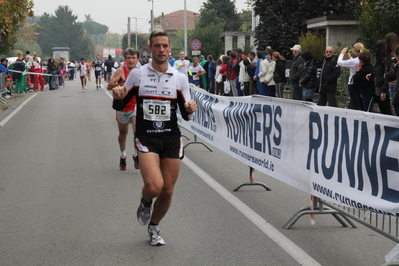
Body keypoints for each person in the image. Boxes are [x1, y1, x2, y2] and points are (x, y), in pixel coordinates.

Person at [112, 29, 197, 246]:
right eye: (156, 46)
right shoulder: (138, 74)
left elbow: (186, 113)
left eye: (165, 46)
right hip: (147, 137)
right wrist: (118, 97)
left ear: (170, 49)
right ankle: (146, 201)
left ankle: (154, 226)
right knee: (154, 187)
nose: (161, 49)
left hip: (171, 137)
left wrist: (190, 108)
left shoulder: (179, 78)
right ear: (149, 48)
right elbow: (122, 105)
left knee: (167, 190)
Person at [107, 48, 141, 170]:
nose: (131, 60)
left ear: (138, 59)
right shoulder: (121, 71)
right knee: (123, 134)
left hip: (136, 107)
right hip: (122, 107)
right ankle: (123, 155)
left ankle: (136, 154)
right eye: (128, 58)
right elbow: (109, 85)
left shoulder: (141, 72)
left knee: (137, 132)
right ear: (125, 59)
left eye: (133, 58)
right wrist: (122, 85)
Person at [337, 42, 364, 110]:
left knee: (354, 103)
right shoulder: (361, 59)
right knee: (359, 102)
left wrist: (342, 53)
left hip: (352, 83)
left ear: (355, 50)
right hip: (359, 83)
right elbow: (354, 63)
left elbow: (339, 62)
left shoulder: (355, 61)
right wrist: (350, 58)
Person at [373, 40, 392, 115]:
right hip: (378, 87)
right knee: (382, 109)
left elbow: (386, 76)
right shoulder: (379, 61)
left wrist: (384, 90)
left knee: (386, 110)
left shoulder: (384, 61)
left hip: (382, 88)